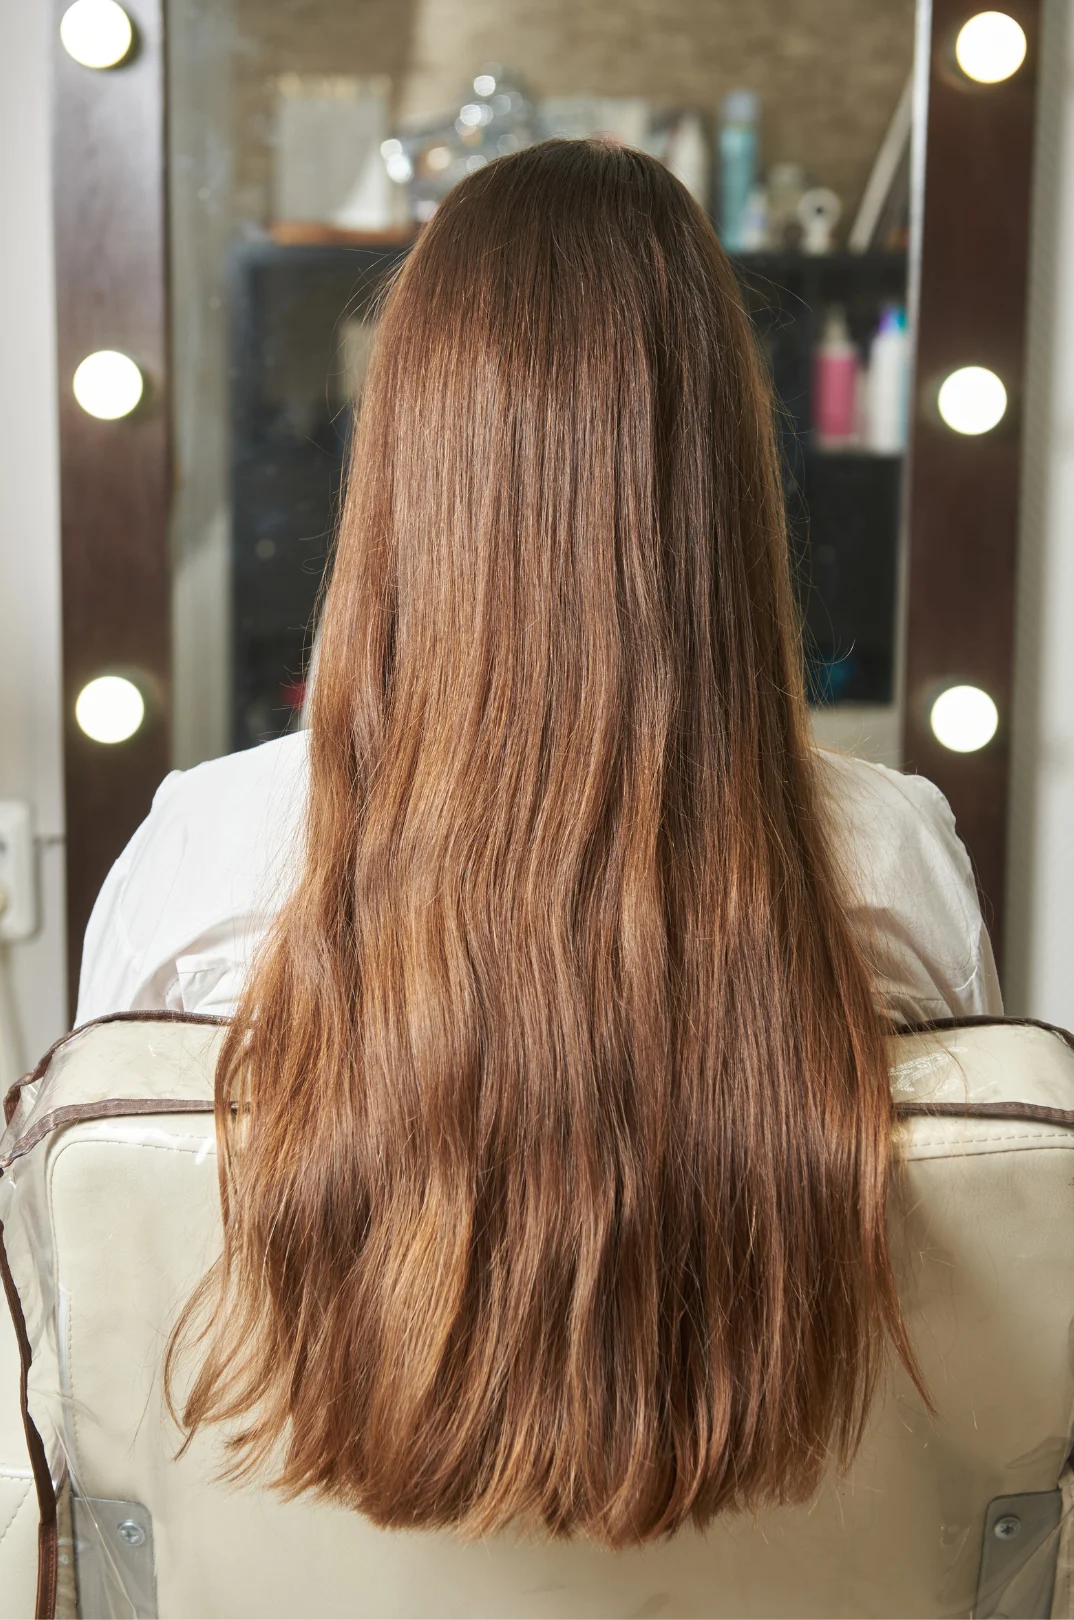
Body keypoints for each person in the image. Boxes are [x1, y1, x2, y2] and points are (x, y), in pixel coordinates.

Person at [81, 141, 999, 1546]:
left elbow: (101, 1321)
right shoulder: (893, 861)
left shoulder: (202, 854)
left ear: (401, 461)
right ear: (721, 474)